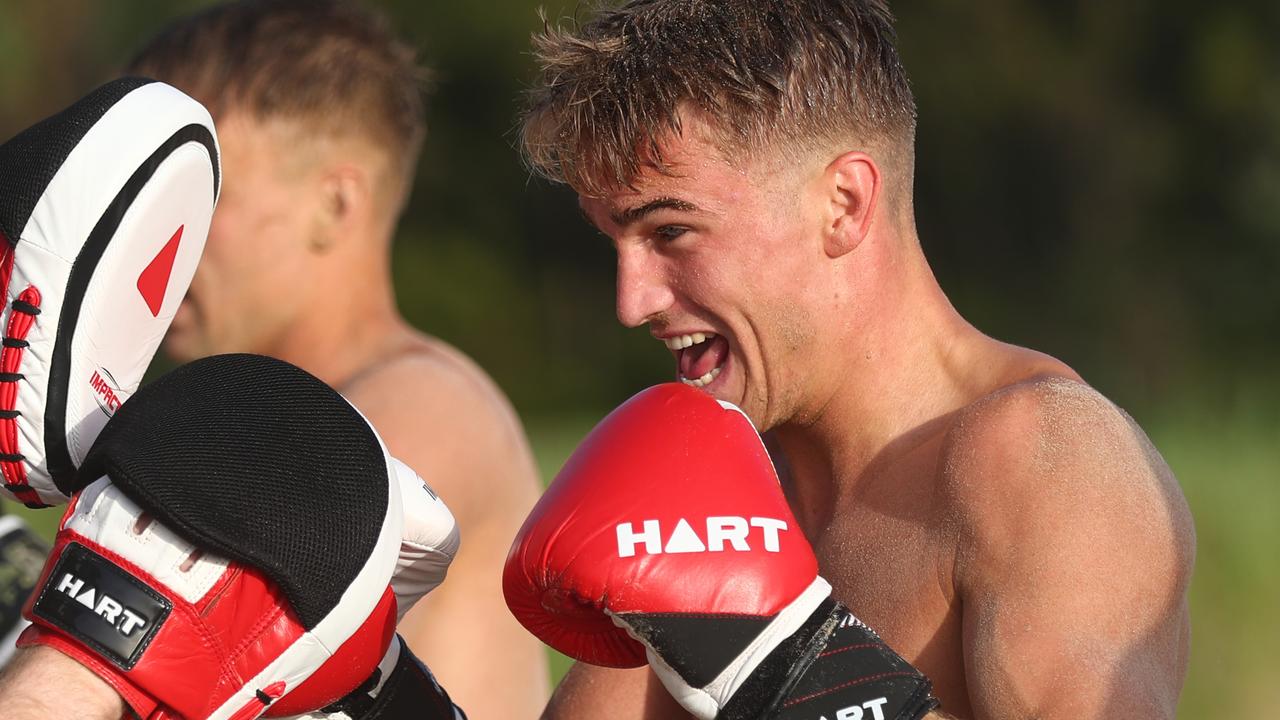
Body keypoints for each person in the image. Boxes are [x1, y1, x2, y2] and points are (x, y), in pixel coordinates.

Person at [516, 0, 1195, 718]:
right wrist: (387, 678)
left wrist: (782, 654)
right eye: (612, 243)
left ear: (843, 204)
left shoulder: (1039, 461)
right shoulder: (721, 492)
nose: (632, 302)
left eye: (672, 231)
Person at [123, 2, 548, 716]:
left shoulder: (419, 405)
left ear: (335, 204)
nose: (153, 237)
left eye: (200, 193)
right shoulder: (253, 426)